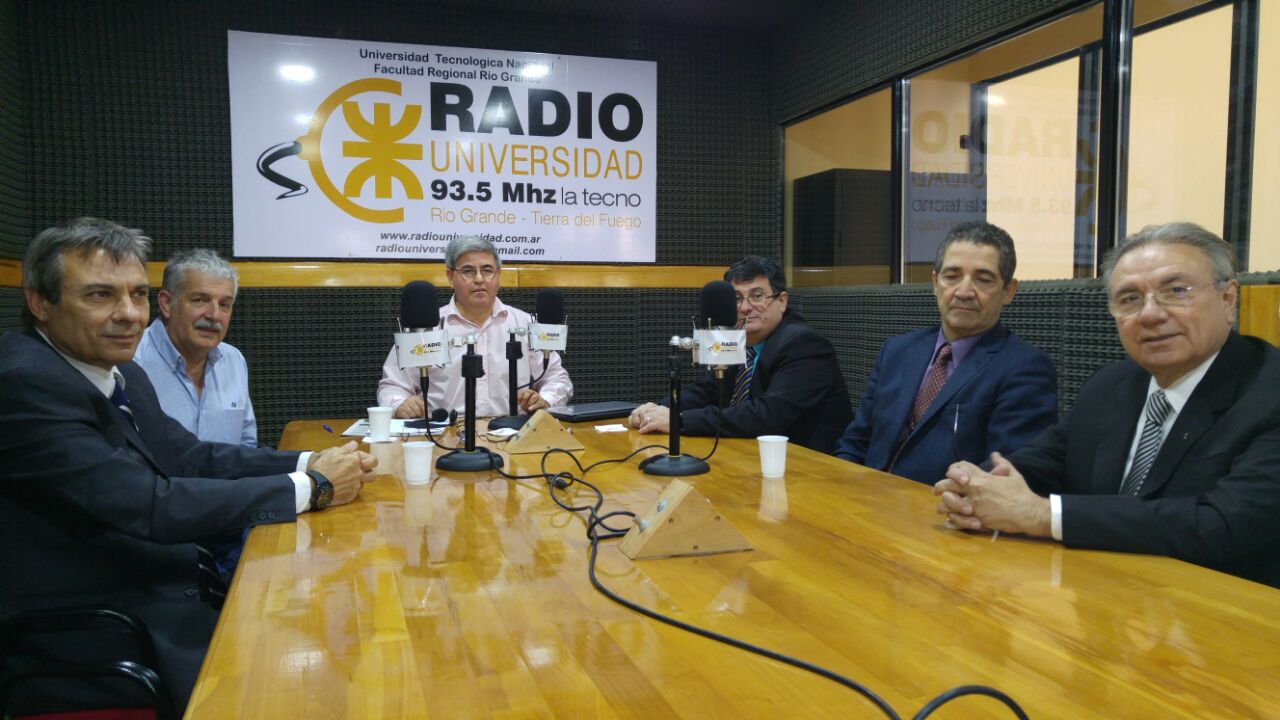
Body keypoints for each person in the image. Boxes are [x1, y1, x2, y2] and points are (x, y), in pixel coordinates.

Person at [0, 218, 377, 712]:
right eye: (99, 296)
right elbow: (149, 505)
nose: (128, 314)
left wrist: (311, 459)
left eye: (136, 294)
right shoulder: (26, 383)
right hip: (100, 623)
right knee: (305, 680)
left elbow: (189, 455)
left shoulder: (119, 371)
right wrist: (313, 487)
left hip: (156, 577)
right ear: (39, 303)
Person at [935, 222, 1280, 588]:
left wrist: (1042, 515)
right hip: (1099, 598)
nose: (1149, 314)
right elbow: (1043, 461)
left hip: (1225, 616)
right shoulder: (1112, 383)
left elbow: (1220, 524)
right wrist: (977, 487)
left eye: (1176, 291)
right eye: (1129, 299)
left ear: (1228, 299)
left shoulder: (1268, 392)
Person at [832, 221, 1057, 483]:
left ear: (1009, 291)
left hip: (944, 514)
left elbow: (1004, 477)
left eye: (983, 279)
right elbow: (856, 442)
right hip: (864, 508)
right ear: (935, 283)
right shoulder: (897, 352)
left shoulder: (1026, 369)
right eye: (952, 276)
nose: (963, 292)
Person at [629, 255, 852, 453]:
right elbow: (706, 391)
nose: (745, 307)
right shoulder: (739, 340)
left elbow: (766, 416)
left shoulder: (804, 345)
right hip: (749, 457)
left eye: (756, 295)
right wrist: (659, 410)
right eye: (736, 298)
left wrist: (679, 420)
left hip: (809, 470)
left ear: (782, 301)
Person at [377, 235, 572, 418]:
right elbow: (392, 386)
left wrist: (545, 400)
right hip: (444, 436)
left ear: (498, 275)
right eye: (468, 271)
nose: (479, 279)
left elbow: (557, 378)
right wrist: (399, 404)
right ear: (450, 276)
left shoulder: (524, 324)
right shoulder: (426, 328)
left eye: (487, 270)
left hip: (512, 435)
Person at [135, 249, 257, 447]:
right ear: (166, 303)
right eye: (200, 300)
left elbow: (246, 446)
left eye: (224, 304)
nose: (214, 315)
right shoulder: (130, 362)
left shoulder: (234, 360)